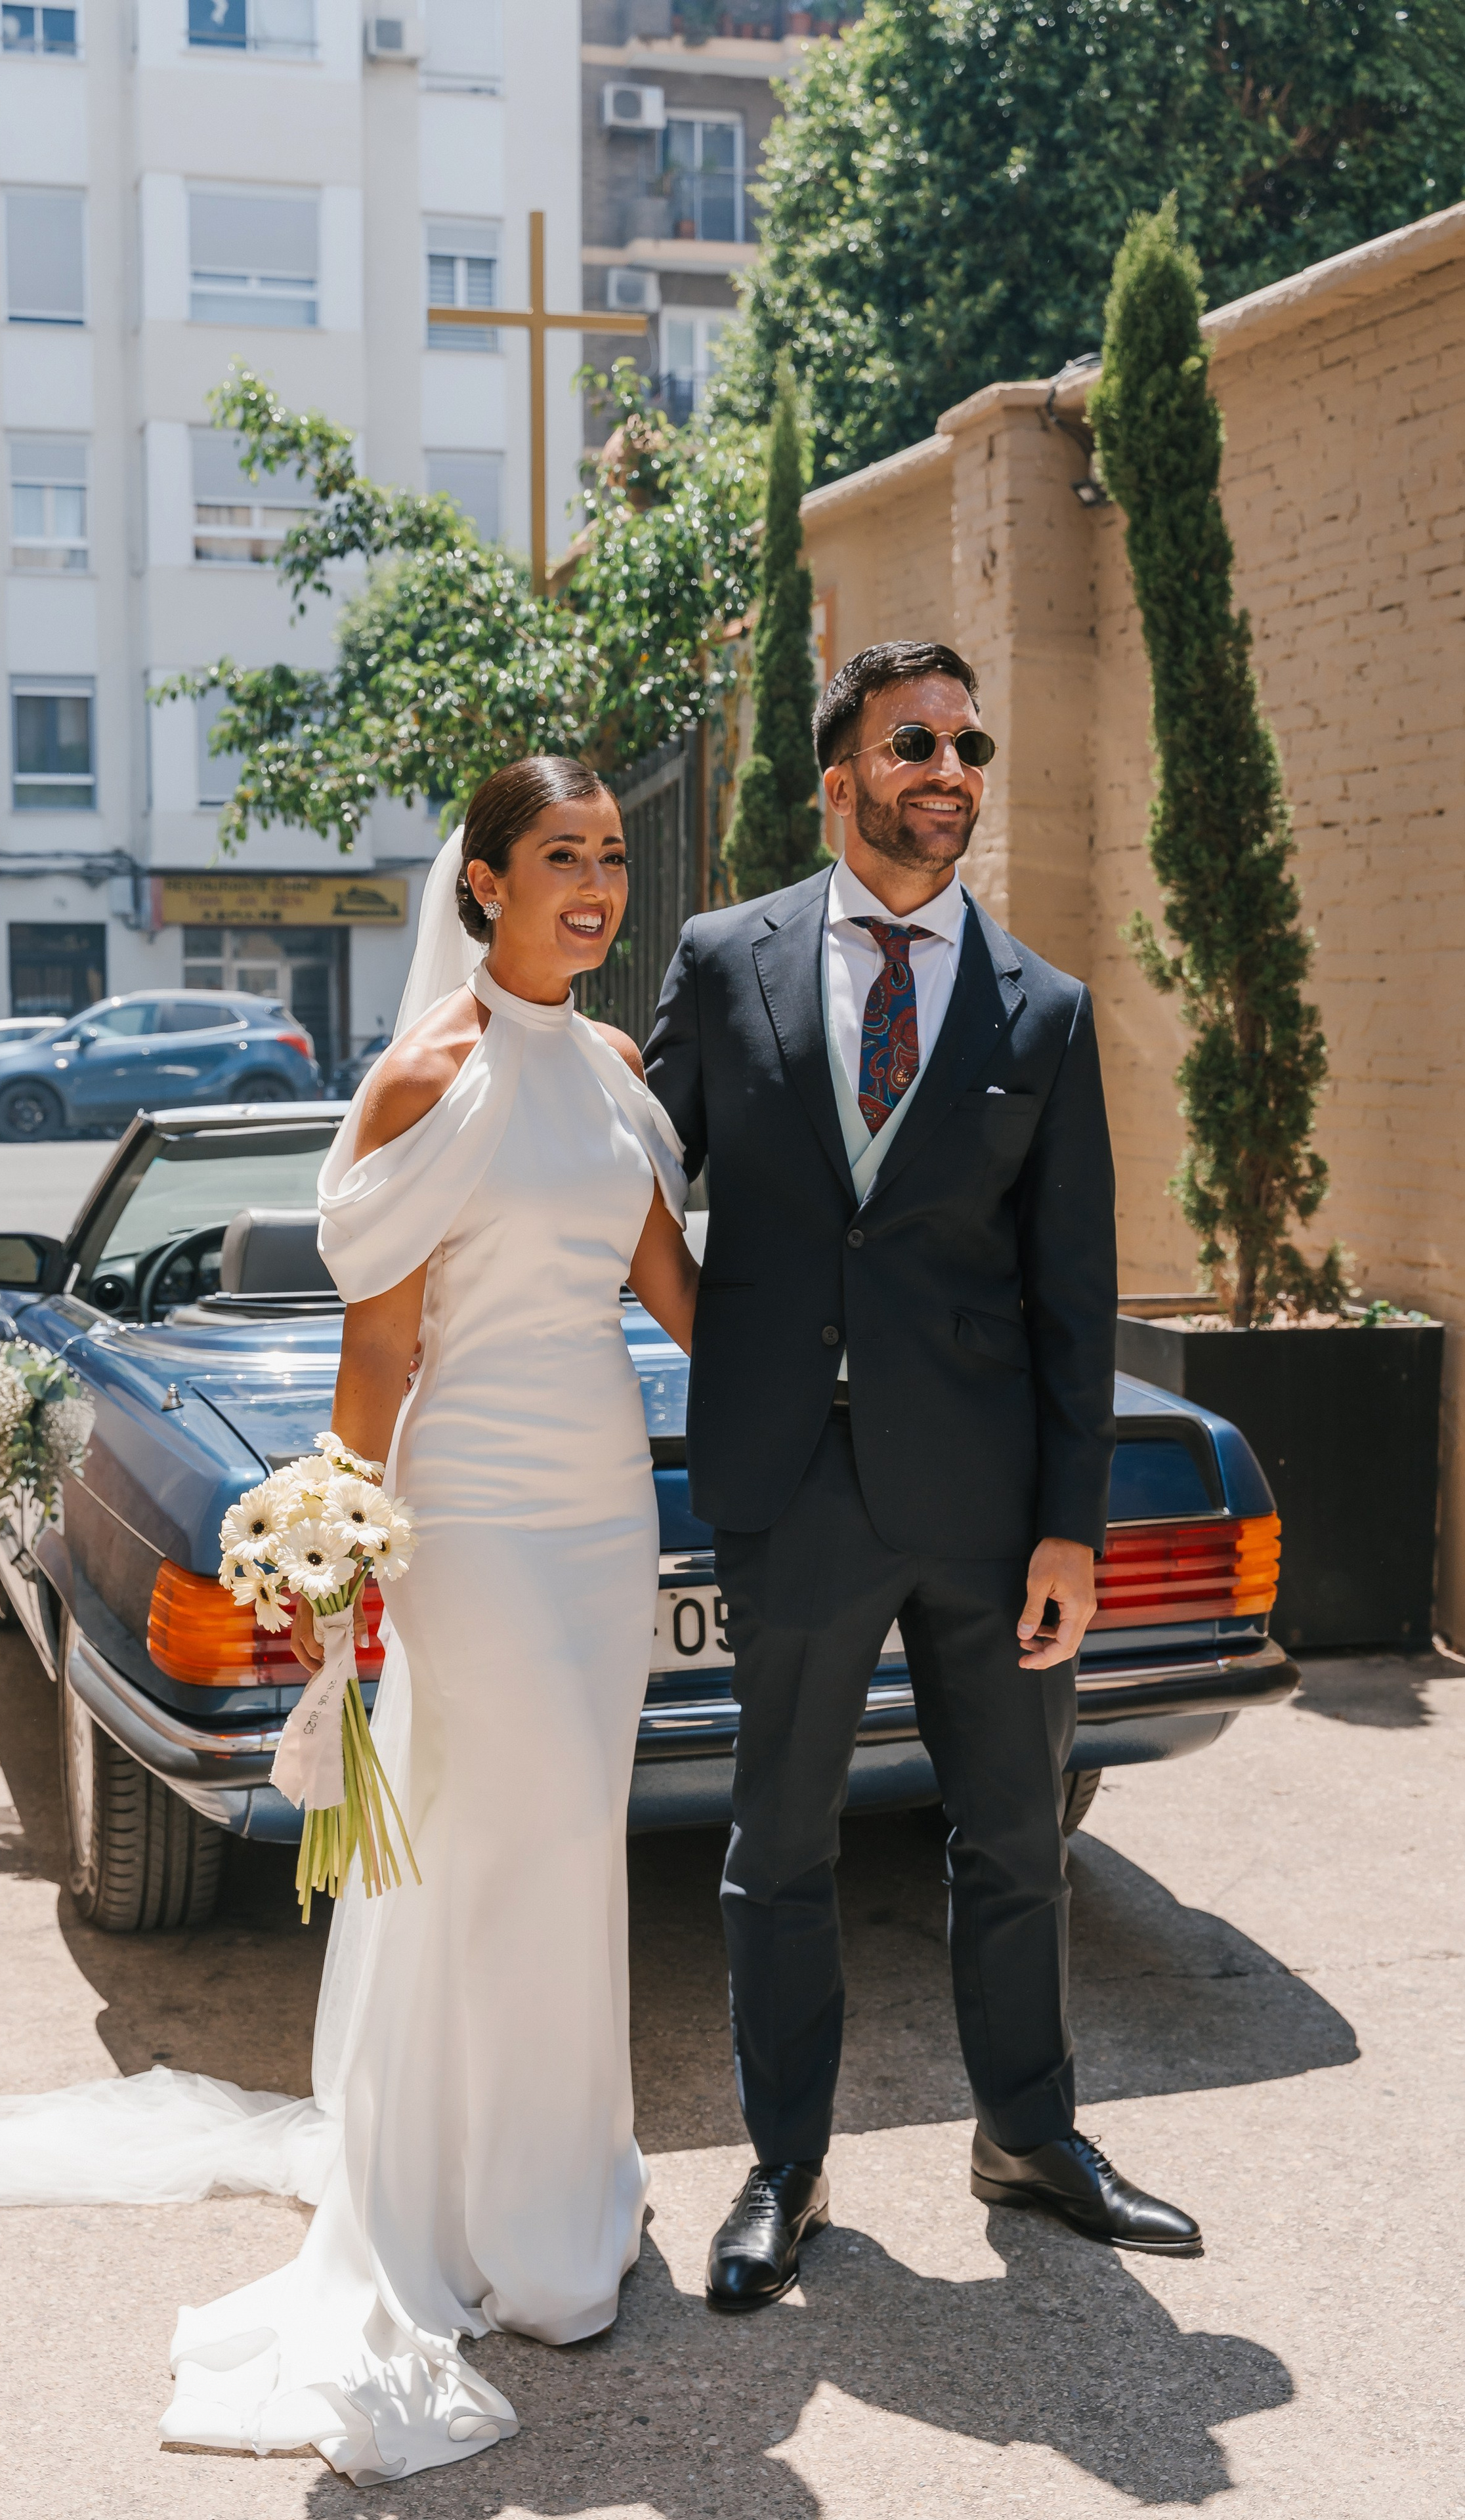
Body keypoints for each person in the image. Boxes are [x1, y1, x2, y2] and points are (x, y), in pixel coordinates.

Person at [0, 756, 700, 2485]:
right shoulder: (427, 1071)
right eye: (558, 860)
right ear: (485, 888)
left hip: (601, 1512)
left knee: (579, 1840)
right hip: (481, 1523)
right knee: (492, 1840)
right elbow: (378, 1353)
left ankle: (560, 2192)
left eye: (607, 859)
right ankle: (469, 2228)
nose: (593, 886)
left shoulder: (613, 1067)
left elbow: (676, 1292)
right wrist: (338, 1536)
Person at [644, 639, 1201, 2313]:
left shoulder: (1042, 1007)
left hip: (982, 1504)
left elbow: (1070, 1288)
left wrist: (1068, 1528)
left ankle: (1027, 2138)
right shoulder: (719, 958)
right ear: (841, 778)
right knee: (779, 1846)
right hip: (791, 1485)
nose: (949, 769)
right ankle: (786, 2168)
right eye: (914, 741)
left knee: (1015, 1837)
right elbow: (623, 1170)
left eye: (969, 743)